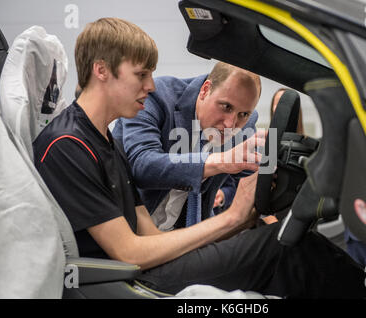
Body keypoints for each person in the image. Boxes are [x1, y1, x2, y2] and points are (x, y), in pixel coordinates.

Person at [33, 17, 366, 298]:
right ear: (101, 71)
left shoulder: (104, 140)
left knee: (284, 241)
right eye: (141, 75)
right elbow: (131, 252)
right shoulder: (68, 144)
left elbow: (150, 236)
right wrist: (231, 218)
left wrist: (244, 217)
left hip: (148, 265)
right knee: (281, 248)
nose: (151, 86)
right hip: (127, 282)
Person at [113, 61, 263, 230]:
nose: (230, 124)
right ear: (205, 90)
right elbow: (142, 165)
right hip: (125, 229)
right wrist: (216, 162)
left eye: (243, 114)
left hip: (185, 235)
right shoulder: (155, 97)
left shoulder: (247, 124)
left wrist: (270, 171)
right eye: (226, 107)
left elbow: (248, 175)